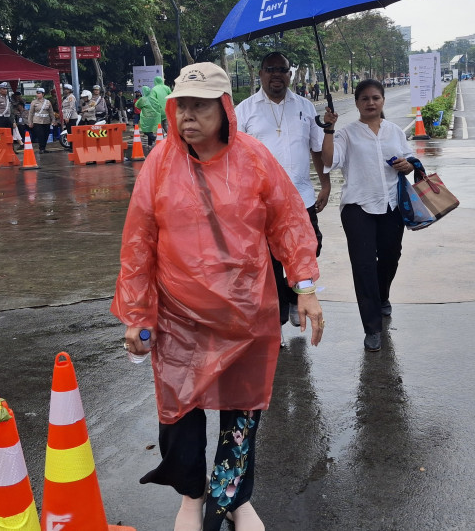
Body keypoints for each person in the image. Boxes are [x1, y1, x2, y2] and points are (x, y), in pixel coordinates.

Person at [113, 62, 324, 531]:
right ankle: (192, 495)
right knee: (180, 411)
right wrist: (137, 313)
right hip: (178, 315)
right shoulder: (160, 163)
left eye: (199, 106)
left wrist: (305, 286)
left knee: (242, 410)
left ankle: (234, 496)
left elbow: (289, 221)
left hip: (246, 313)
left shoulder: (254, 159)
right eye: (181, 106)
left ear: (224, 108)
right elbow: (138, 241)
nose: (188, 116)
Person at [235, 51, 330, 333]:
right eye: (270, 69)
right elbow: (235, 157)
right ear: (260, 73)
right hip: (262, 201)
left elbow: (315, 149)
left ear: (290, 73)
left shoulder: (305, 107)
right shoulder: (245, 110)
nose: (276, 74)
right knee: (270, 259)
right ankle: (275, 319)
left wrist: (325, 184)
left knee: (312, 247)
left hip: (301, 196)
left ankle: (291, 296)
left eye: (282, 69)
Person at [321, 78, 413, 352]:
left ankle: (383, 296)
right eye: (365, 99)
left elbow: (410, 161)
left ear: (382, 101)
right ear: (357, 103)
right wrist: (328, 128)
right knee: (363, 267)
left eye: (375, 98)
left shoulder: (395, 131)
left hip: (391, 205)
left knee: (390, 257)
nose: (370, 103)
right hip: (357, 207)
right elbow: (328, 161)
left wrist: (406, 164)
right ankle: (371, 328)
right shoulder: (347, 133)